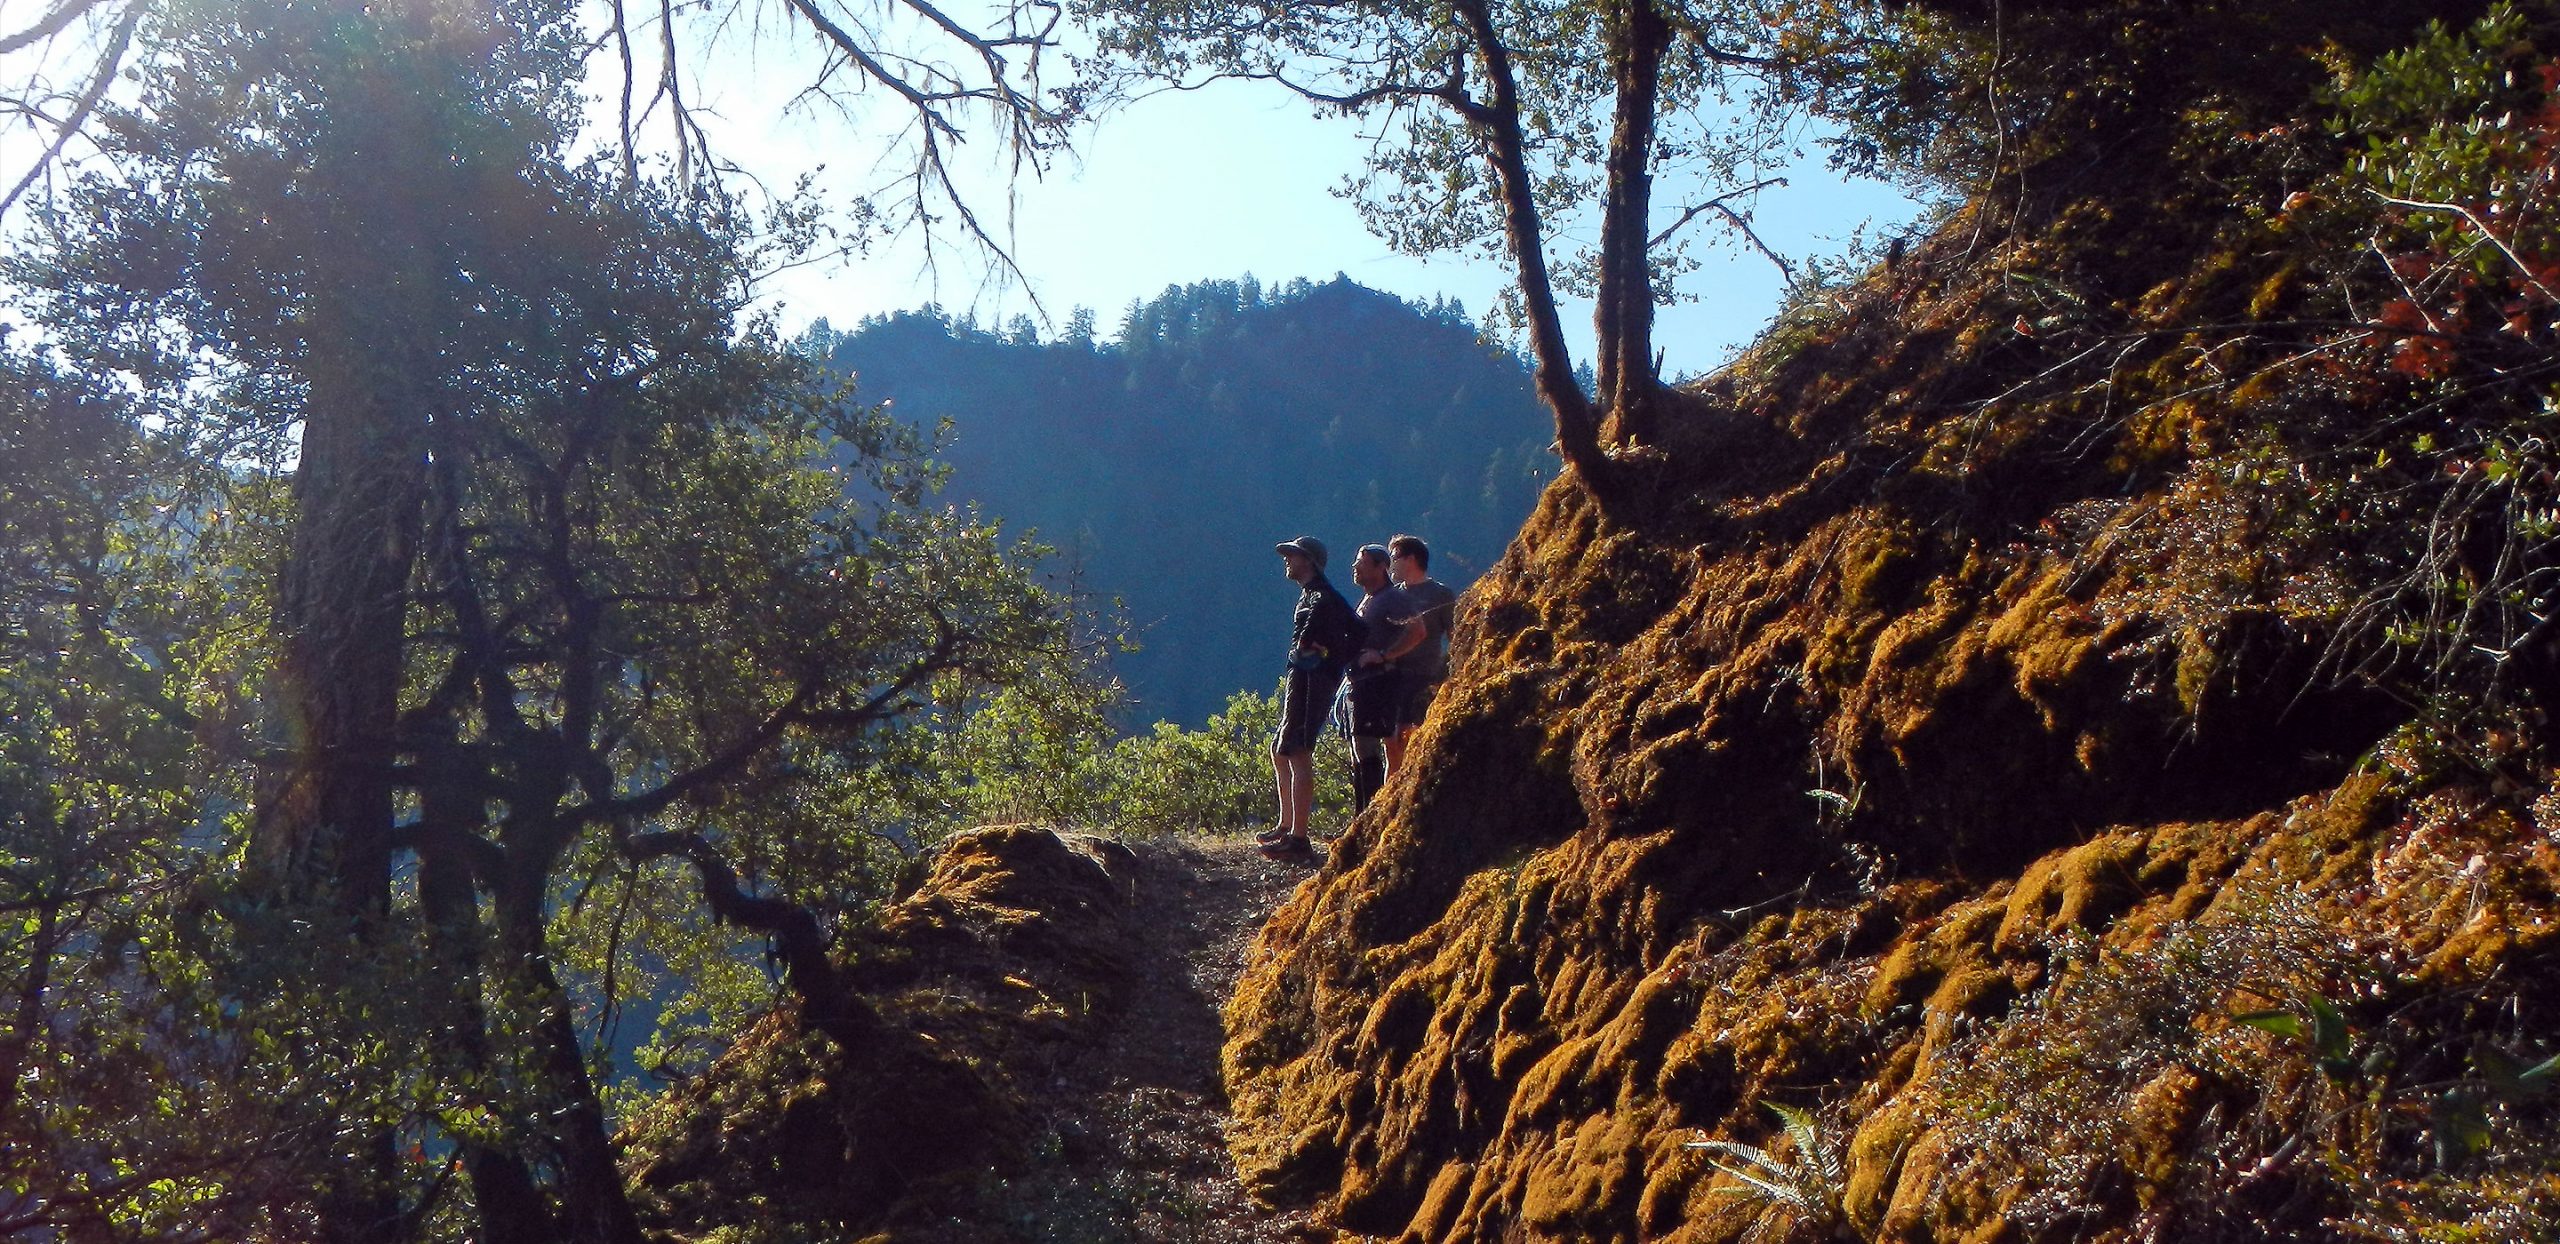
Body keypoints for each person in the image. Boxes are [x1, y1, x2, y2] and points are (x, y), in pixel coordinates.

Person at [1263, 535, 1360, 860]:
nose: (1287, 560)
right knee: (1281, 748)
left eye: (1293, 556)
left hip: (1311, 680)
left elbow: (1355, 633)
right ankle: (1287, 825)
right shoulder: (1315, 595)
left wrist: (1326, 656)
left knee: (1298, 749)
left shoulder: (1320, 597)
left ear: (1309, 561)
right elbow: (1357, 632)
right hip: (1304, 677)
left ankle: (1299, 838)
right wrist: (1332, 655)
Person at [1345, 543, 1424, 812]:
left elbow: (1418, 630)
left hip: (1379, 683)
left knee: (1369, 748)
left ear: (1381, 568)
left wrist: (1385, 655)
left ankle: (1371, 814)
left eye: (1362, 562)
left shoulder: (1393, 598)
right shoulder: (1370, 598)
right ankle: (1363, 816)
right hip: (1361, 683)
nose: (1355, 567)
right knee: (1360, 747)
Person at [1386, 534, 1459, 775]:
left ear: (1411, 559)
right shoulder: (1393, 595)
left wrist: (1453, 674)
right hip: (1392, 676)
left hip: (1423, 676)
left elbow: (1454, 634)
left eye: (1394, 557)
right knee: (1391, 743)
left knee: (1410, 737)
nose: (1391, 564)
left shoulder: (1440, 594)